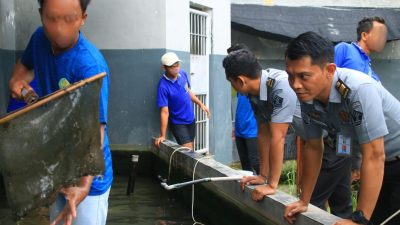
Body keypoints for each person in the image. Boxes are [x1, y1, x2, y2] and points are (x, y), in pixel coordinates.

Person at [7, 0, 112, 224]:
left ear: (83, 18)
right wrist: (17, 81)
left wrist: (83, 187)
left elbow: (96, 135)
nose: (59, 29)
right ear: (41, 15)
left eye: (69, 19)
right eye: (52, 19)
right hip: (57, 168)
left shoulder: (90, 66)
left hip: (89, 177)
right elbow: (23, 68)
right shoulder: (39, 39)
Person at [284, 31, 400, 225]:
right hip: (379, 164)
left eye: (304, 76)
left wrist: (358, 220)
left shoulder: (358, 89)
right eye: (290, 76)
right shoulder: (308, 95)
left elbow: (374, 155)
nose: (295, 85)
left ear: (329, 70)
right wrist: (305, 201)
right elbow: (313, 147)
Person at [223, 49, 297, 201]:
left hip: (324, 139)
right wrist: (263, 176)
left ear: (241, 80)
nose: (233, 87)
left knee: (322, 198)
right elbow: (263, 132)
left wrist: (271, 185)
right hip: (307, 138)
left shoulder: (279, 85)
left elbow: (278, 137)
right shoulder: (254, 93)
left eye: (232, 82)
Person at [155, 52, 210, 150]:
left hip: (190, 119)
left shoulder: (183, 74)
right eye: (172, 67)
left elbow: (187, 91)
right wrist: (163, 135)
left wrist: (200, 104)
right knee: (189, 151)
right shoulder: (163, 86)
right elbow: (164, 112)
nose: (176, 68)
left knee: (190, 150)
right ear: (165, 68)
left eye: (177, 65)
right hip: (178, 123)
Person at [228, 43, 260, 175]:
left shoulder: (254, 80)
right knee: (245, 166)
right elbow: (241, 105)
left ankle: (265, 184)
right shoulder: (238, 81)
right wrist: (236, 126)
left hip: (253, 129)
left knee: (256, 162)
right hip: (240, 128)